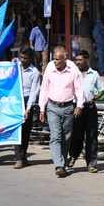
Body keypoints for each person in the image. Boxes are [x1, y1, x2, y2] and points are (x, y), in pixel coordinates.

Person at [39, 45, 84, 178]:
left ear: (65, 58)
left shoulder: (73, 69)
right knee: (56, 136)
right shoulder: (50, 67)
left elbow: (79, 88)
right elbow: (44, 89)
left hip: (69, 107)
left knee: (66, 137)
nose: (56, 62)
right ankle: (59, 165)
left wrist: (79, 105)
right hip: (52, 107)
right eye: (54, 59)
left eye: (58, 59)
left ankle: (62, 163)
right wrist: (42, 108)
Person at [68, 50, 104, 173]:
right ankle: (72, 157)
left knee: (91, 136)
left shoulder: (94, 74)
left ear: (86, 60)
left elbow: (102, 91)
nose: (77, 62)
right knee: (76, 135)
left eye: (80, 60)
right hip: (76, 108)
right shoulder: (73, 73)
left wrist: (96, 96)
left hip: (90, 108)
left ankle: (91, 163)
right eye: (76, 60)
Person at [12, 47, 41, 169]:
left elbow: (34, 92)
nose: (23, 60)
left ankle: (23, 157)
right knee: (17, 130)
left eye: (25, 58)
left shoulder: (35, 72)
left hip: (27, 100)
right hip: (15, 100)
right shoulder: (15, 66)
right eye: (21, 57)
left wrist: (28, 109)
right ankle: (18, 158)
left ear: (30, 58)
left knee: (26, 132)